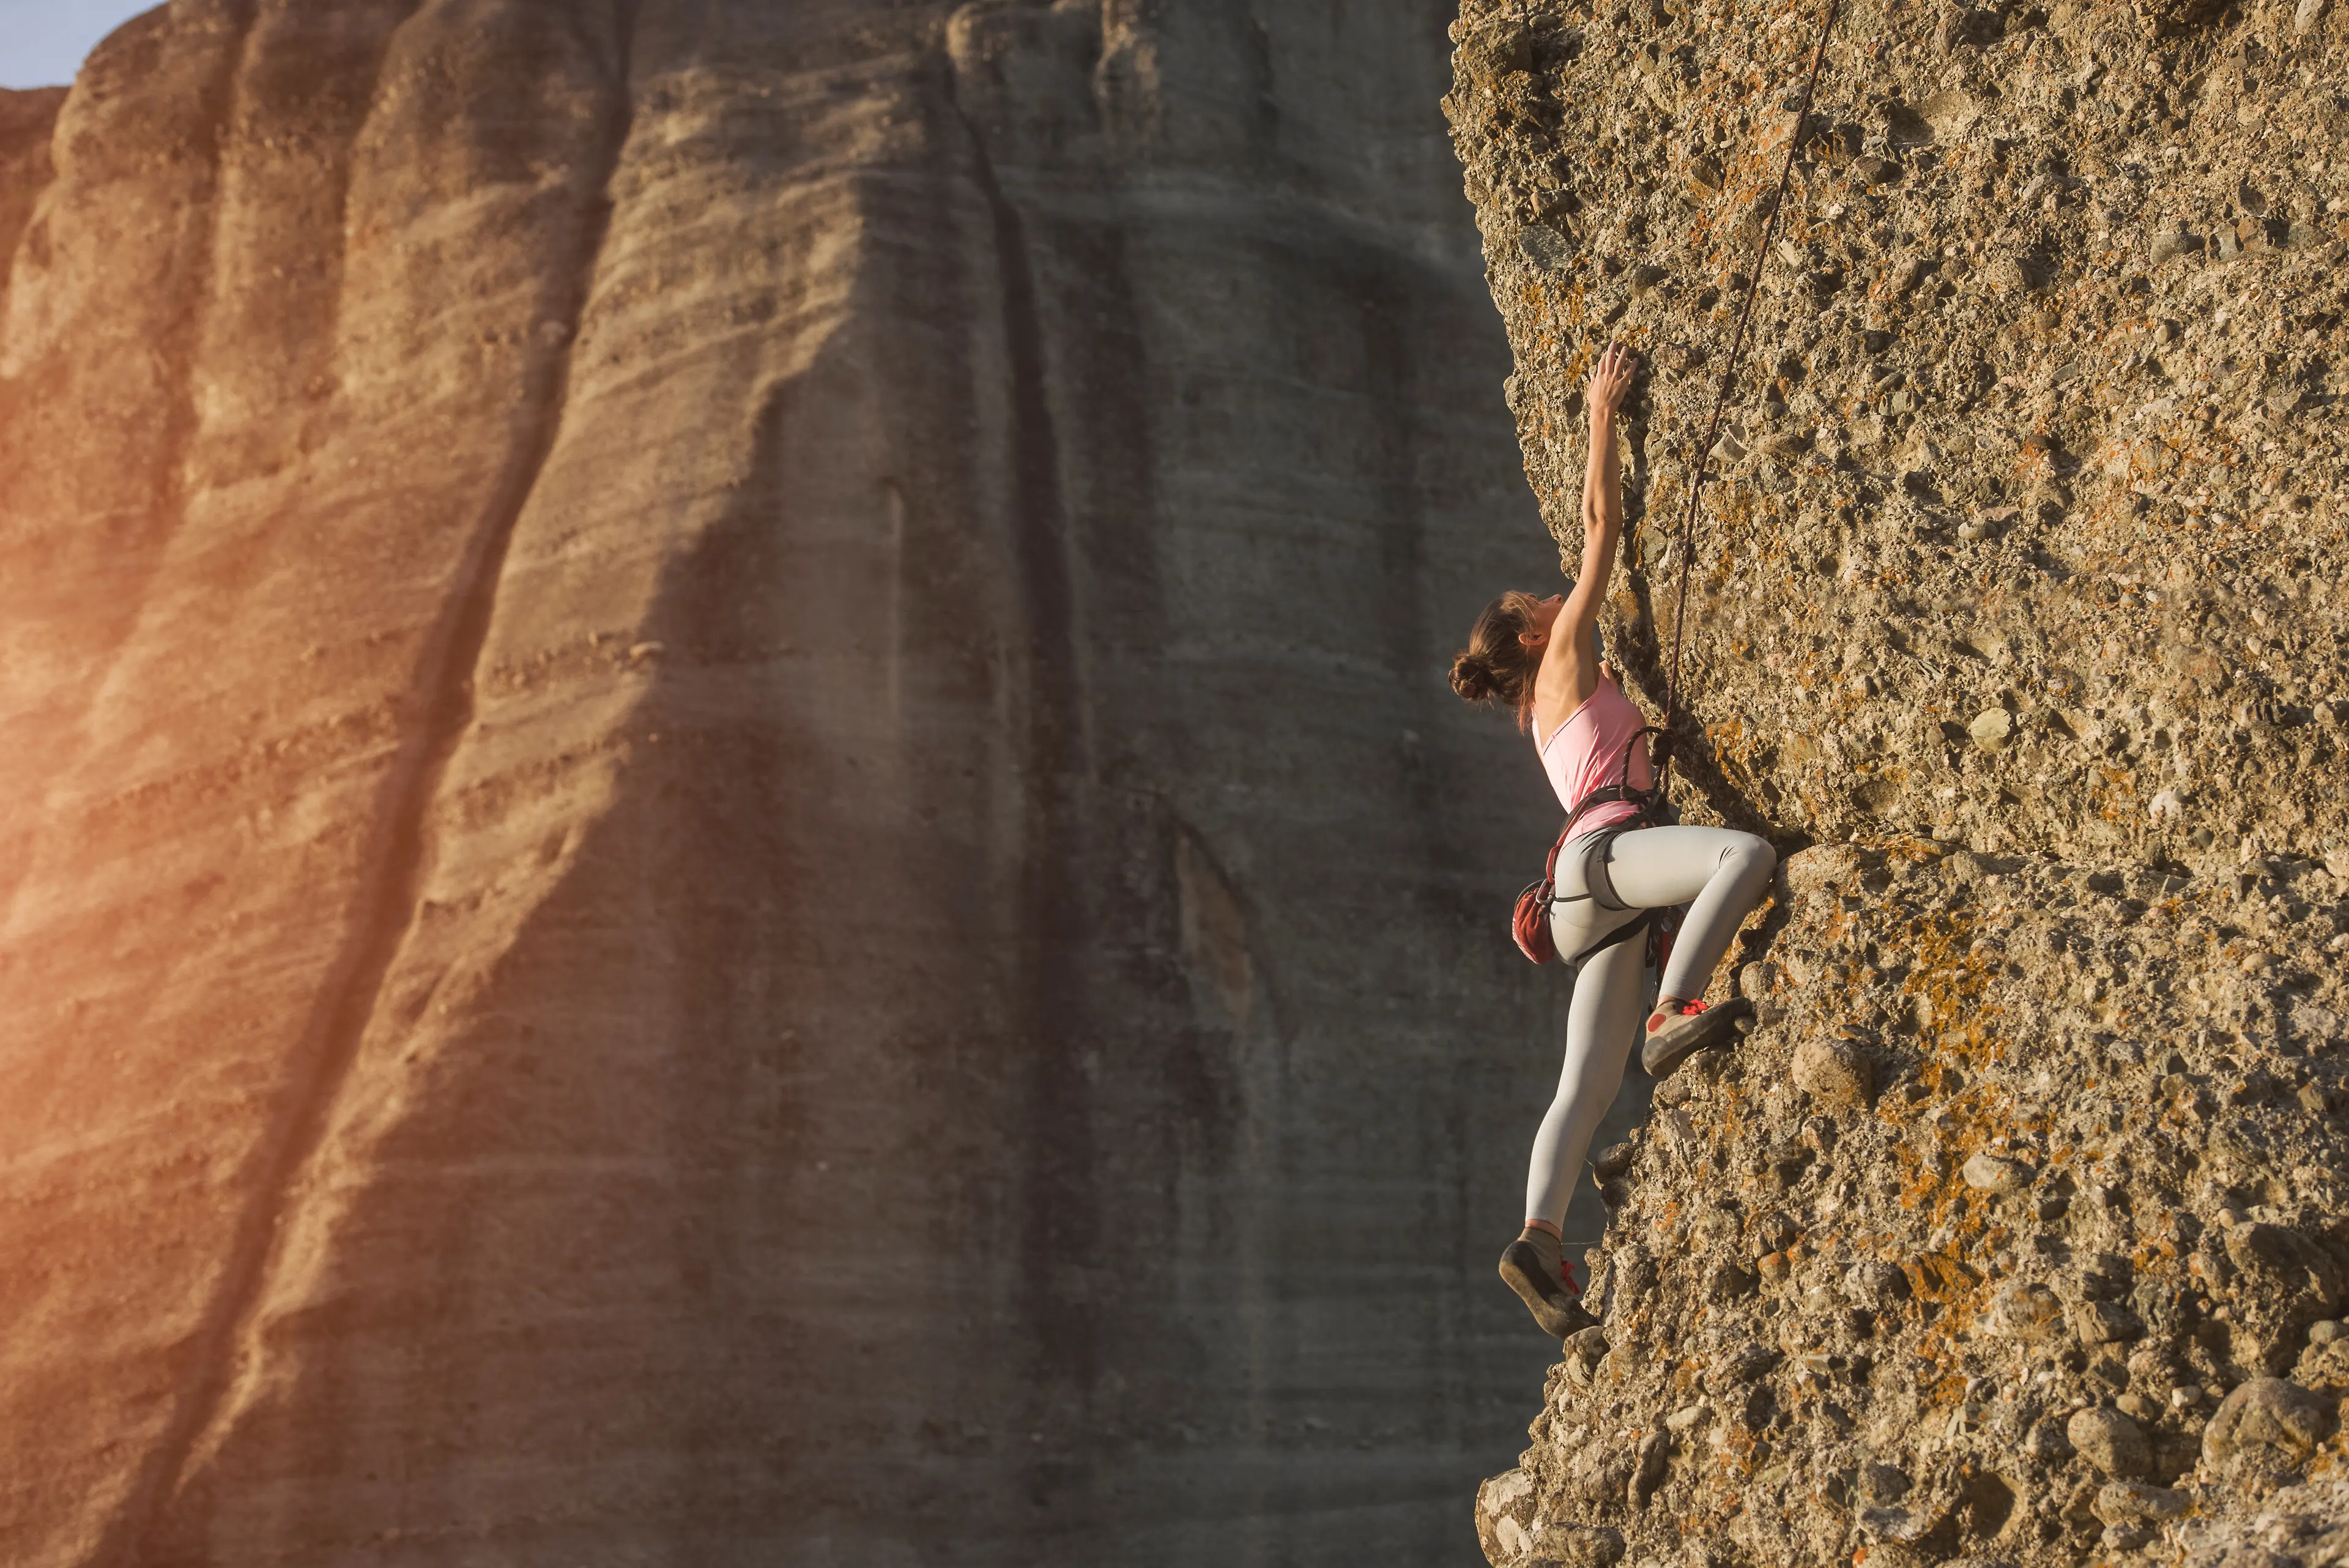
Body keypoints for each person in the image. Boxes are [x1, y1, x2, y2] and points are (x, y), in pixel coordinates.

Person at [1448, 342, 1776, 1339]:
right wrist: (1602, 412)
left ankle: (1539, 1240)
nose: (1557, 598)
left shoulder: (1548, 716)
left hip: (1585, 888)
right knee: (1743, 858)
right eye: (1539, 606)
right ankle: (1676, 1005)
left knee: (1583, 1087)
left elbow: (1613, 766)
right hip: (1610, 857)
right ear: (1531, 636)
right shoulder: (1569, 654)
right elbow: (1602, 527)